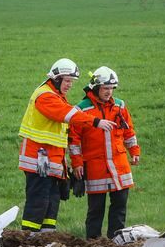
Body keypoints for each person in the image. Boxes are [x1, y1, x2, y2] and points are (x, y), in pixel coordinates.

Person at [18, 58, 116, 233]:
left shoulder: (56, 96)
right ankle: (29, 237)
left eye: (72, 81)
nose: (70, 85)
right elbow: (68, 115)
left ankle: (47, 236)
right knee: (39, 199)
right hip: (38, 159)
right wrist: (95, 121)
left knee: (52, 198)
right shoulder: (46, 96)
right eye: (68, 80)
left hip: (49, 159)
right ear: (57, 79)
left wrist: (66, 169)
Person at [68, 66, 142, 239]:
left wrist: (134, 151)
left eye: (111, 88)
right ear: (96, 88)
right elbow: (74, 140)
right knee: (96, 208)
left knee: (120, 205)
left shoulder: (119, 106)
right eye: (105, 88)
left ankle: (116, 240)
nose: (109, 92)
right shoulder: (81, 110)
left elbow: (128, 131)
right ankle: (92, 242)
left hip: (119, 165)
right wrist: (77, 163)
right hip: (96, 166)